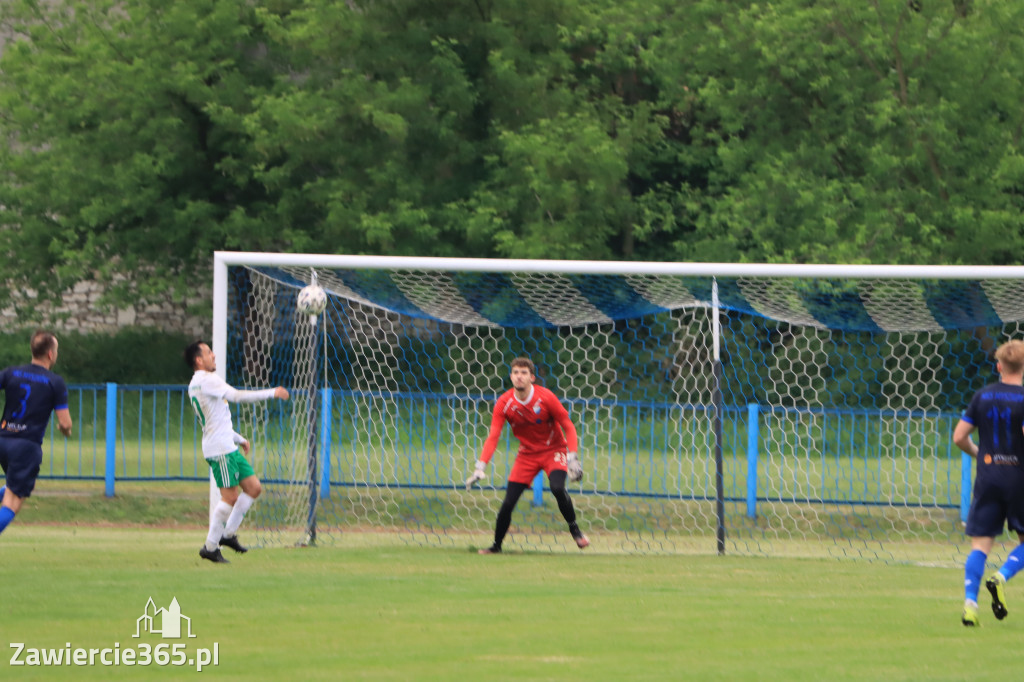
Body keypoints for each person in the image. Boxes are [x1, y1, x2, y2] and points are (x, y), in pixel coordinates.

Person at [466, 357, 588, 553]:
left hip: (553, 450)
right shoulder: (504, 403)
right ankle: (496, 546)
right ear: (511, 376)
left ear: (532, 377)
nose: (519, 377)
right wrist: (480, 467)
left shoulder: (546, 397)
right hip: (527, 454)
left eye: (524, 373)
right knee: (508, 503)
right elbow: (493, 437)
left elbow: (568, 426)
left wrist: (572, 457)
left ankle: (575, 530)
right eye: (515, 372)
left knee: (557, 488)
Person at [185, 341, 289, 564]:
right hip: (220, 450)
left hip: (226, 444)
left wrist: (238, 438)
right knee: (230, 497)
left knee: (253, 488)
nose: (214, 355)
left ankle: (228, 534)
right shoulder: (207, 380)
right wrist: (273, 392)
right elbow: (238, 396)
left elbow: (215, 419)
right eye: (209, 353)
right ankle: (210, 547)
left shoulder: (196, 383)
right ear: (199, 360)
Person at [953, 339, 1024, 626]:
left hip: (988, 476)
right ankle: (1001, 576)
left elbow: (959, 436)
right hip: (1019, 477)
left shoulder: (981, 396)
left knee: (980, 546)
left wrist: (979, 453)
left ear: (999, 366)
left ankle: (970, 605)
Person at [0, 331, 73, 537]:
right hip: (26, 446)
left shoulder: (12, 372)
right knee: (12, 502)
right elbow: (65, 422)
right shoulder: (54, 382)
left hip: (4, 441)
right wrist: (65, 431)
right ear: (51, 354)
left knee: (14, 489)